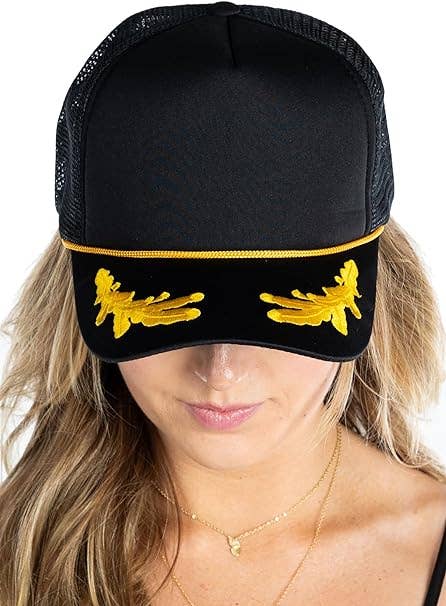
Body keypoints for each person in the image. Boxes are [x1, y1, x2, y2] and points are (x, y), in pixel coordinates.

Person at [1, 2, 445, 605]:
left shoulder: (431, 550)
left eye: (276, 316)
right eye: (166, 307)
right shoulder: (18, 557)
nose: (220, 372)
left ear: (375, 287)